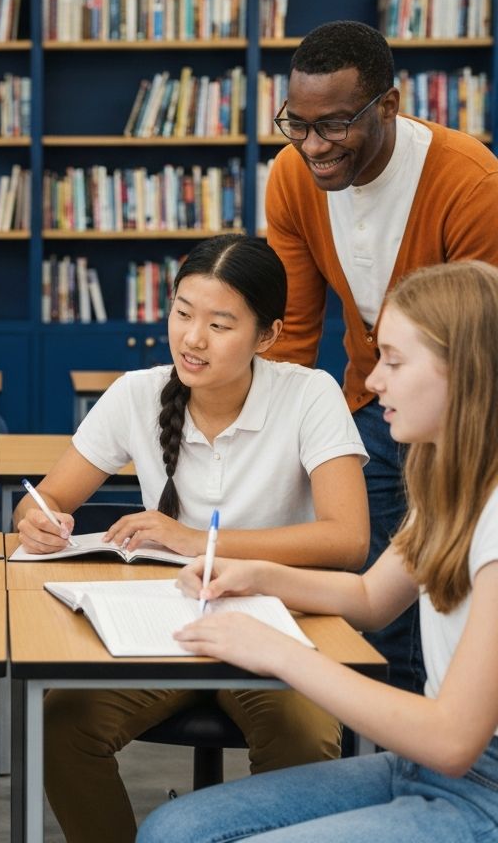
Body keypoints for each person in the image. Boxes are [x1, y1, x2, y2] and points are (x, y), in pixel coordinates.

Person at [13, 234, 370, 843]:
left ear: (268, 335)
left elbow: (347, 541)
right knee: (59, 725)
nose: (192, 338)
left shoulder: (310, 394)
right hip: (163, 626)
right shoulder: (138, 392)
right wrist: (39, 521)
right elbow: (43, 498)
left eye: (219, 324)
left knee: (305, 734)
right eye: (182, 313)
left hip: (278, 623)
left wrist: (194, 540)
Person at [137, 259, 498, 843]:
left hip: (480, 787)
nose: (374, 380)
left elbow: (453, 740)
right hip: (426, 768)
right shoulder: (452, 488)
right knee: (172, 828)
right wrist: (254, 574)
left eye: (396, 363)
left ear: (469, 375)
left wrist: (279, 652)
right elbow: (370, 597)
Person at [264, 19, 498, 693]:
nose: (314, 146)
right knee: (376, 604)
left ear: (388, 106)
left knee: (448, 592)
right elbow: (294, 331)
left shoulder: (467, 181)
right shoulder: (292, 176)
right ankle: (388, 755)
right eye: (297, 124)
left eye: (334, 126)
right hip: (371, 406)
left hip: (467, 424)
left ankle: (438, 743)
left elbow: (480, 348)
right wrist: (291, 443)